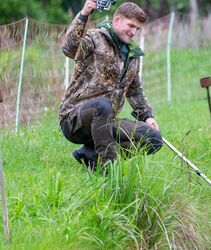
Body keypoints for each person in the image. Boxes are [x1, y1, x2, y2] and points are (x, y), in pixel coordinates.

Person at [59, 0, 162, 170]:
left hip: (106, 121)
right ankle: (109, 169)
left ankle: (89, 155)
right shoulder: (94, 38)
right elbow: (69, 48)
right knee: (102, 106)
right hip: (75, 119)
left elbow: (134, 90)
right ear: (117, 20)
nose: (134, 32)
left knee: (153, 139)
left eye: (137, 28)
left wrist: (147, 116)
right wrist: (84, 13)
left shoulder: (132, 54)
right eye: (131, 25)